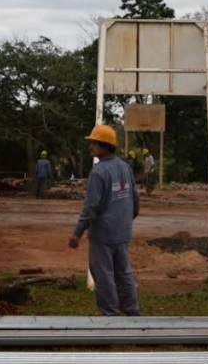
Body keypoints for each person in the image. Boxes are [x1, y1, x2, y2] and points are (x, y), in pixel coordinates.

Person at [68, 124, 141, 316]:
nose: (91, 146)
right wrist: (125, 220)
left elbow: (91, 206)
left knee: (104, 274)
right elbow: (135, 199)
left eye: (94, 143)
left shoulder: (99, 172)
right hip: (122, 232)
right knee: (124, 272)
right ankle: (132, 311)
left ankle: (110, 315)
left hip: (103, 234)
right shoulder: (125, 167)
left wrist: (77, 233)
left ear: (104, 146)